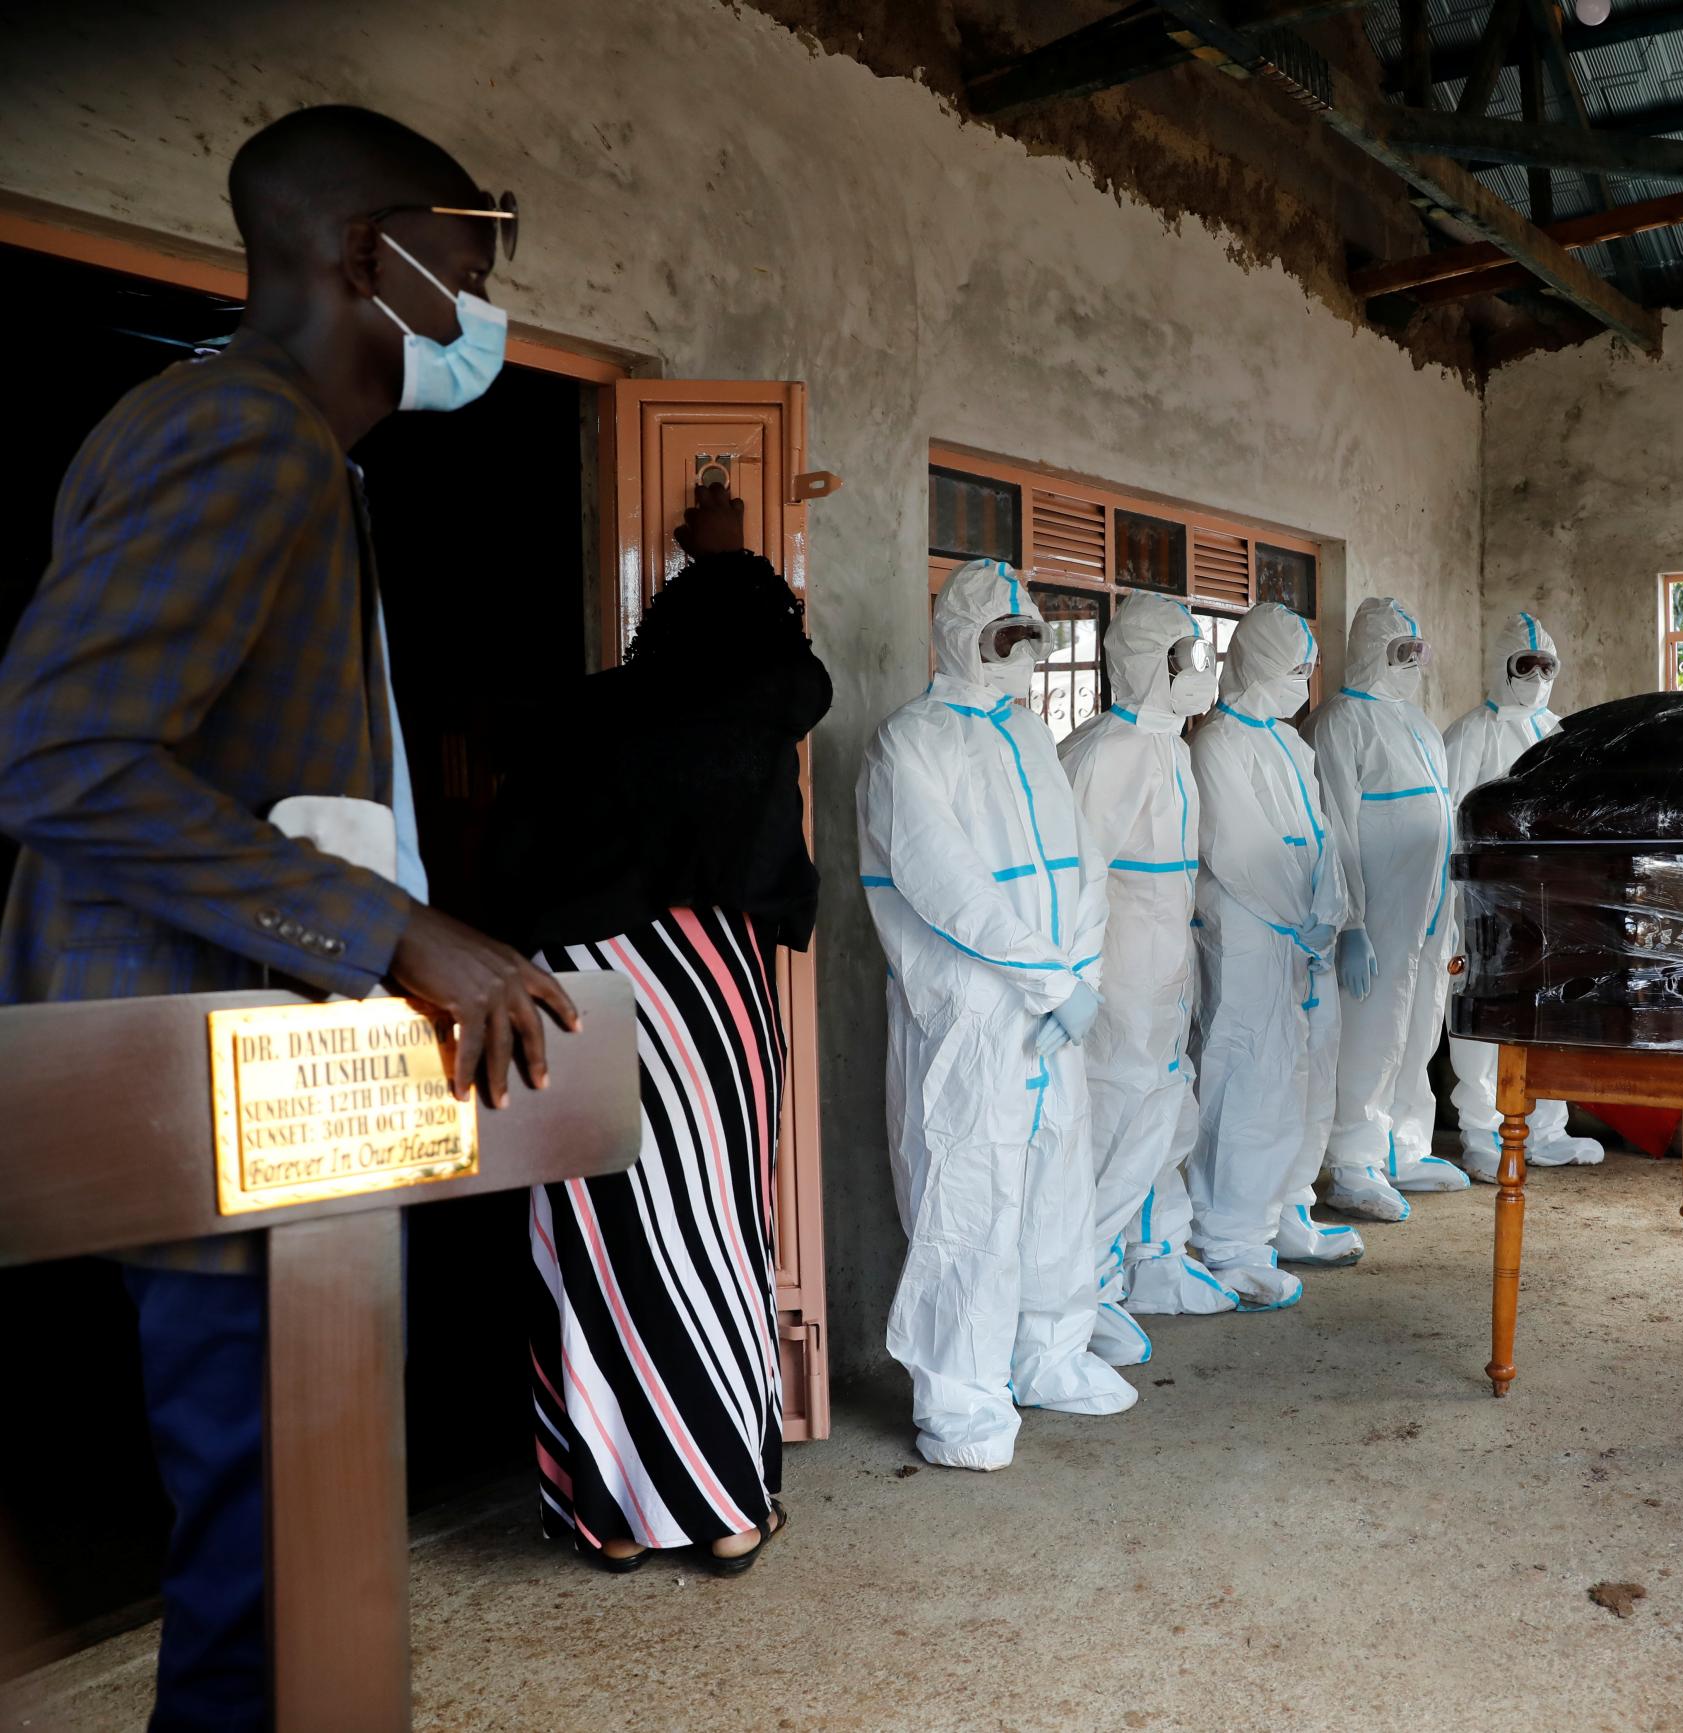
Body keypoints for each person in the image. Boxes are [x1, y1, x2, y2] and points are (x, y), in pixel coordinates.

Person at [0, 106, 574, 1730]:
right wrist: (394, 930)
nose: (486, 289)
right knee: (263, 1569)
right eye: (473, 251)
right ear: (362, 253)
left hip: (267, 1076)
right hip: (212, 1086)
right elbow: (62, 754)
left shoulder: (278, 452)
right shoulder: (242, 439)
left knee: (286, 1549)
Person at [485, 483, 827, 1573]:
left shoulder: (576, 719)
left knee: (594, 1244)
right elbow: (793, 668)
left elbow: (505, 864)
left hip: (570, 986)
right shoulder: (755, 708)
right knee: (709, 1239)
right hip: (706, 988)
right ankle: (725, 1507)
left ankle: (616, 1513)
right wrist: (725, 554)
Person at [860, 558, 1135, 1471]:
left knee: (1060, 1186)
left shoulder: (1029, 738)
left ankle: (1049, 1353)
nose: (1021, 654)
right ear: (959, 637)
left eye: (1031, 637)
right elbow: (949, 888)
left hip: (1053, 1009)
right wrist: (1056, 981)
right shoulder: (911, 741)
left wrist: (1082, 969)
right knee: (967, 1200)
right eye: (1004, 637)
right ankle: (958, 1398)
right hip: (974, 1017)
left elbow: (1082, 863)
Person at [1057, 593, 1246, 1344]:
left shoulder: (1172, 747)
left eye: (1203, 654)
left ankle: (1156, 1257)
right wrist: (1075, 978)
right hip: (1119, 975)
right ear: (1145, 663)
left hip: (1167, 966)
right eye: (1186, 656)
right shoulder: (1104, 752)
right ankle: (1086, 1280)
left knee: (1166, 1112)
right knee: (1113, 1121)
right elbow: (1075, 878)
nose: (1202, 671)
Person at [1187, 602, 1366, 1296]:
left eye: (1307, 668)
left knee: (1306, 1080)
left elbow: (1325, 838)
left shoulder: (1290, 746)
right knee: (1248, 1081)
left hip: (1303, 939)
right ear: (1258, 663)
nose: (1303, 680)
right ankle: (1231, 1237)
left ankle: (1287, 1208)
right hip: (1252, 937)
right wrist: (1301, 918)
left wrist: (1334, 916)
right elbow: (1240, 851)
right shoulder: (1219, 744)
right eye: (1293, 667)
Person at [1307, 597, 1469, 1218]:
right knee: (1371, 1033)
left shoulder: (1420, 724)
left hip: (1426, 912)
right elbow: (1337, 829)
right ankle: (1353, 1162)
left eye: (1418, 651)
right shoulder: (1340, 722)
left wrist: (1449, 914)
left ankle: (1404, 1144)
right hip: (1375, 917)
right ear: (1373, 651)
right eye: (1402, 651)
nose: (1413, 663)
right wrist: (1349, 923)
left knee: (1420, 1023)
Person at [1441, 611, 1605, 1179]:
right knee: (1487, 1019)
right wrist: (1455, 905)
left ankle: (1547, 1131)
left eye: (1546, 665)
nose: (1536, 675)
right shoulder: (1470, 734)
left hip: (1551, 901)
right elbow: (1449, 821)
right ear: (1500, 666)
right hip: (1487, 905)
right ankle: (1483, 1133)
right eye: (1524, 664)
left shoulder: (1559, 732)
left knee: (1551, 1013)